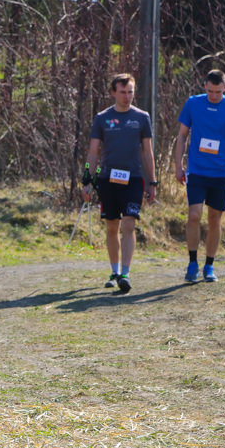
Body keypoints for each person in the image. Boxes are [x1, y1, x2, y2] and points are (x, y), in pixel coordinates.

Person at [82, 73, 157, 293]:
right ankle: (114, 271)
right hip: (108, 179)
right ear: (113, 92)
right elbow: (93, 151)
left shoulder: (142, 117)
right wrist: (88, 179)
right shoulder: (102, 118)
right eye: (123, 92)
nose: (127, 96)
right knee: (112, 225)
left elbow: (147, 152)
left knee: (129, 223)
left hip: (133, 179)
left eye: (130, 92)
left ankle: (125, 273)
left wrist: (152, 182)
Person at [174, 69, 225, 283]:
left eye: (217, 91)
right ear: (204, 86)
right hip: (197, 170)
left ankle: (209, 265)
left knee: (215, 219)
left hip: (221, 173)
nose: (213, 95)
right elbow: (181, 137)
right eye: (210, 91)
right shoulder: (193, 103)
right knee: (194, 215)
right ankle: (192, 263)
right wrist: (178, 166)